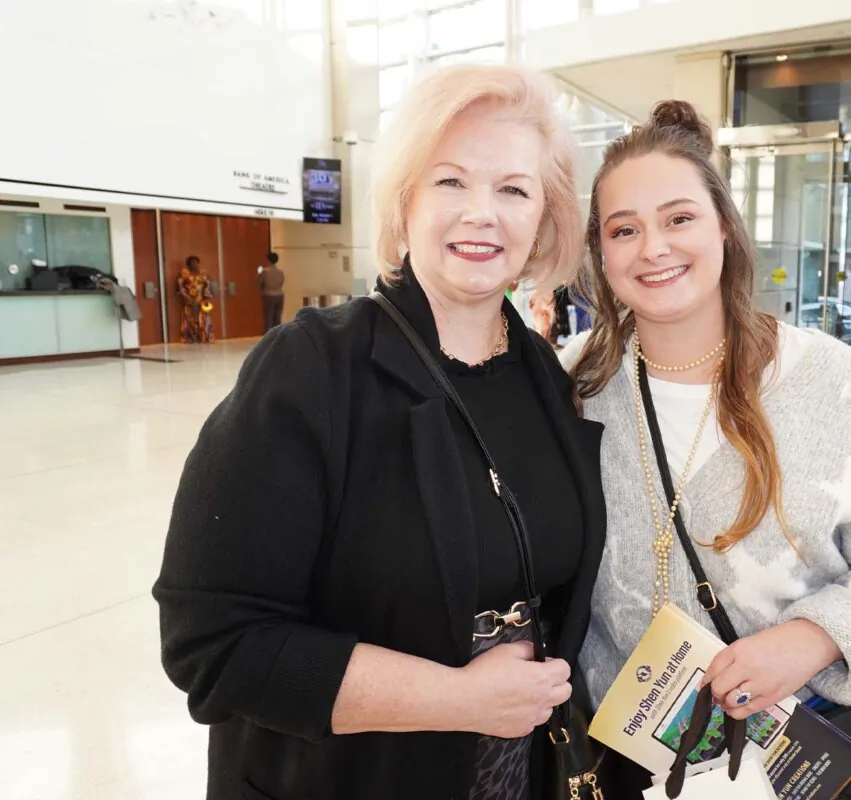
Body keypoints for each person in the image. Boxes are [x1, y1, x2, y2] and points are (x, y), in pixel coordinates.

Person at [153, 64, 605, 800]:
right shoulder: (311, 370)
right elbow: (213, 643)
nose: (481, 213)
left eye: (513, 189)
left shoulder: (548, 385)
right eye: (451, 181)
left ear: (546, 218)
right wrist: (459, 698)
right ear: (405, 202)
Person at [561, 101, 851, 796]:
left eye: (679, 218)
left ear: (724, 227)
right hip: (641, 759)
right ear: (601, 253)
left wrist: (815, 638)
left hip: (809, 753)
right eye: (625, 229)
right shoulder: (575, 387)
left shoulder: (835, 385)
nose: (654, 248)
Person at [178, 255, 215, 343]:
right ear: (188, 265)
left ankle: (205, 338)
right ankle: (190, 339)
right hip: (189, 302)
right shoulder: (184, 276)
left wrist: (207, 298)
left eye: (196, 262)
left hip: (201, 301)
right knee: (190, 320)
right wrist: (186, 298)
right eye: (192, 263)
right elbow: (180, 289)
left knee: (204, 320)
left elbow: (208, 287)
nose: (194, 264)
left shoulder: (204, 275)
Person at [258, 251, 286, 333]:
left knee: (268, 318)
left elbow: (259, 284)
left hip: (269, 295)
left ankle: (268, 337)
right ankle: (277, 336)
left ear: (268, 260)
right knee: (277, 318)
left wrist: (258, 274)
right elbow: (281, 283)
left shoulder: (265, 271)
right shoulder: (280, 272)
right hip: (280, 295)